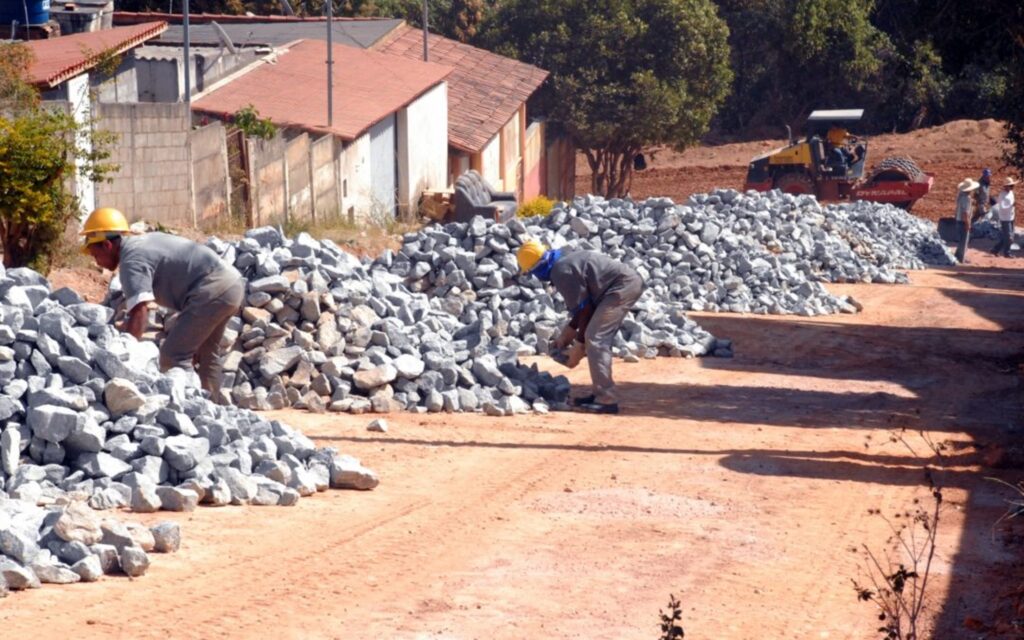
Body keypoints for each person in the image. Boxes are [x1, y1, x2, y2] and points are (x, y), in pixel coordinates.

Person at [80, 207, 245, 400]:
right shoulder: (140, 243)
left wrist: (123, 359)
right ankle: (215, 412)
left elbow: (140, 312)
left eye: (95, 255)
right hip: (231, 285)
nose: (96, 262)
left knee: (172, 356)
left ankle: (188, 411)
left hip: (212, 289)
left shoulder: (131, 261)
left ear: (107, 245)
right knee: (208, 354)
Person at [517, 239, 644, 415]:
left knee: (596, 338)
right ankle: (599, 393)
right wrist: (566, 334)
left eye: (532, 272)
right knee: (593, 335)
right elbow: (583, 306)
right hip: (619, 285)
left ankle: (607, 399)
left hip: (621, 287)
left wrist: (578, 346)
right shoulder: (562, 261)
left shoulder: (560, 272)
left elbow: (586, 310)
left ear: (537, 267)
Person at [991, 177, 1018, 258]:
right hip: (1005, 218)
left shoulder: (1011, 193)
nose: (1012, 187)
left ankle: (995, 249)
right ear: (1006, 186)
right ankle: (1007, 252)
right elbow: (1002, 206)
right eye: (1010, 185)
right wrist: (1011, 205)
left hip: (1011, 216)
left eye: (1012, 185)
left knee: (1008, 236)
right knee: (1009, 236)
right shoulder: (1002, 195)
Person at [953, 177, 978, 263]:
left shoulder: (960, 196)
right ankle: (961, 259)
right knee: (964, 242)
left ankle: (957, 256)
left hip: (958, 220)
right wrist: (968, 224)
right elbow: (965, 213)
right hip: (963, 221)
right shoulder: (967, 199)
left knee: (961, 240)